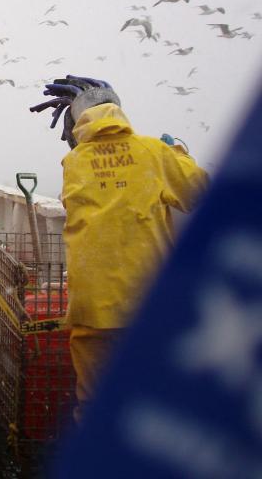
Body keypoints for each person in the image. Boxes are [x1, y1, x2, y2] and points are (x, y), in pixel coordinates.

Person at [30, 75, 208, 422]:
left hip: (92, 305)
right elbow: (197, 193)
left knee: (95, 405)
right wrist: (177, 152)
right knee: (154, 397)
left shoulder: (74, 163)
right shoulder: (153, 153)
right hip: (147, 304)